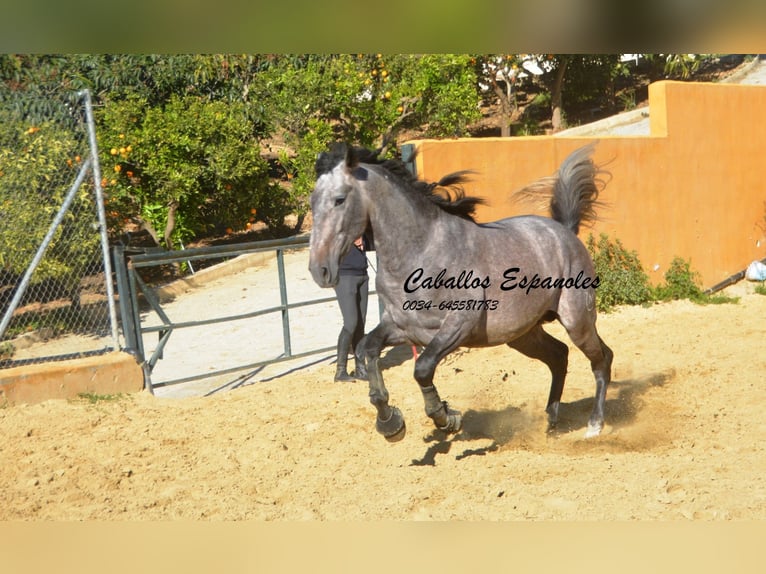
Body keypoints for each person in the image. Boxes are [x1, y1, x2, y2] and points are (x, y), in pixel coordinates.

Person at [333, 235, 371, 382]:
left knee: (361, 323)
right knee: (351, 322)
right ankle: (340, 370)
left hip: (362, 273)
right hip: (345, 274)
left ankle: (360, 368)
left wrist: (363, 238)